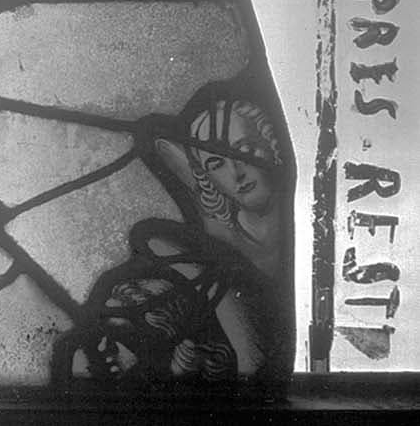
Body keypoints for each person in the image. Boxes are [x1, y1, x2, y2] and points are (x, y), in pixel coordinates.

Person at [56, 81, 289, 385]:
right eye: (216, 163)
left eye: (245, 151)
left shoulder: (300, 233)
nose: (236, 172)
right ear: (205, 179)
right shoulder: (207, 244)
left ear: (273, 145)